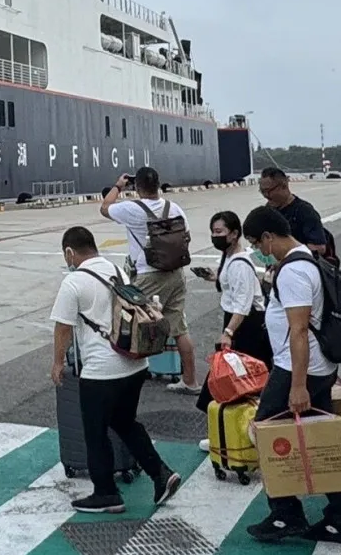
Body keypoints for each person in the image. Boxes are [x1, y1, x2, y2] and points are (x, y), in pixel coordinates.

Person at [240, 206, 341, 545]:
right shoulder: (308, 259)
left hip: (298, 370)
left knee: (265, 432)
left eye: (257, 243)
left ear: (269, 236)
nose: (258, 251)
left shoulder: (293, 271)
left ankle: (286, 514)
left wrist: (297, 386)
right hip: (316, 367)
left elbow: (299, 330)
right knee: (322, 439)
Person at [48, 225, 183, 513]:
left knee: (95, 432)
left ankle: (106, 493)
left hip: (101, 370)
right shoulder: (116, 271)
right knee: (124, 422)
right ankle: (161, 474)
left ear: (70, 252)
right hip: (135, 364)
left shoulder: (73, 282)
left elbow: (63, 328)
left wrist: (57, 363)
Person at [99, 167, 197, 392]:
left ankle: (126, 378)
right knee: (179, 328)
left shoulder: (132, 209)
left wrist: (118, 186)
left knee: (129, 323)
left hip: (148, 274)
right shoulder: (174, 208)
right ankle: (191, 381)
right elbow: (186, 237)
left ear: (137, 186)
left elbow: (104, 208)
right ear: (158, 184)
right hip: (176, 273)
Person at [199, 209, 260, 361]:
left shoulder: (240, 265)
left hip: (245, 325)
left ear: (234, 234)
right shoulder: (228, 255)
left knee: (243, 369)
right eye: (213, 232)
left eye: (219, 231)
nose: (214, 236)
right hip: (235, 321)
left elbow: (242, 305)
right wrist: (216, 278)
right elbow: (231, 282)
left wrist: (228, 333)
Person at [255, 166, 335, 260]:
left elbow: (319, 248)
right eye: (262, 191)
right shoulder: (268, 211)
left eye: (269, 191)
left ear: (284, 186)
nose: (266, 196)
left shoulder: (305, 211)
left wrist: (286, 256)